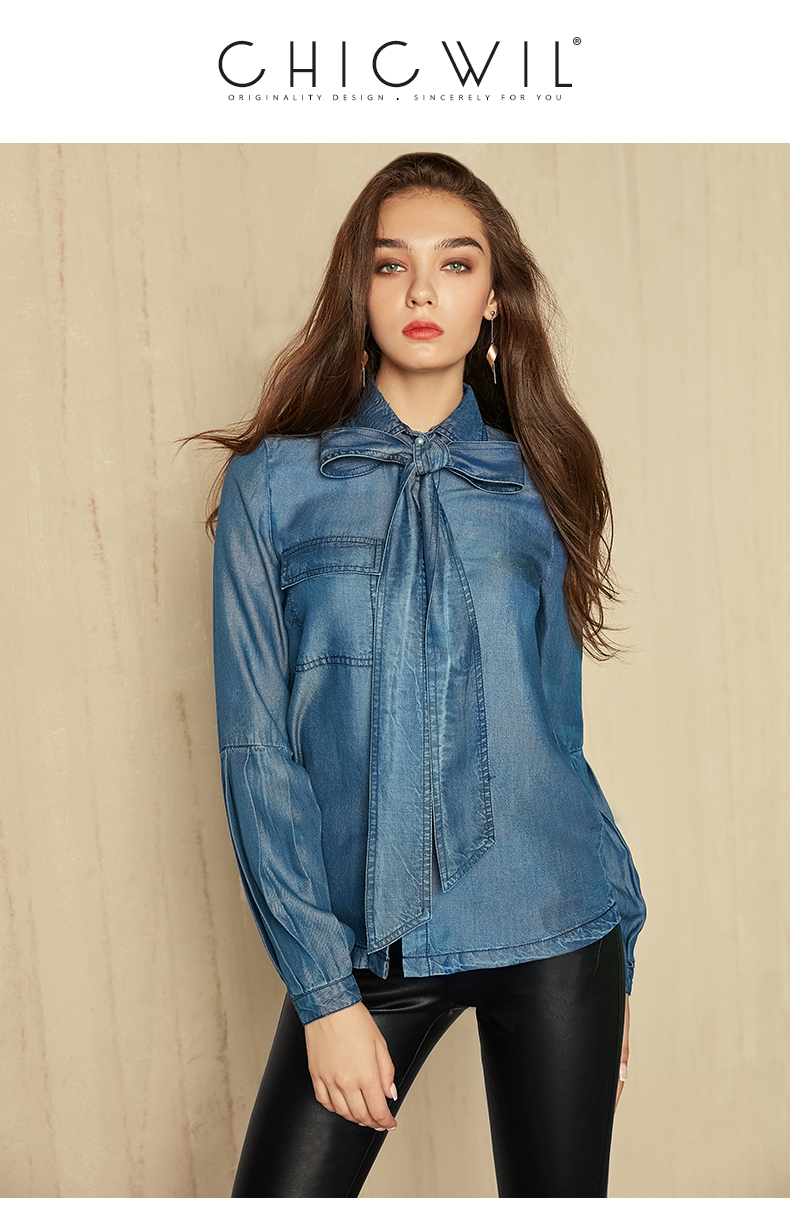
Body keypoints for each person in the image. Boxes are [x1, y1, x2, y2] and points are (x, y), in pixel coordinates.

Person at [200, 151, 647, 1197]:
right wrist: (324, 993)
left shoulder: (541, 478)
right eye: (391, 264)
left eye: (454, 264)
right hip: (368, 944)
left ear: (492, 297)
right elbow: (256, 749)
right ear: (358, 289)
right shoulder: (274, 485)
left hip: (555, 922)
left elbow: (557, 734)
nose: (419, 292)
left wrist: (618, 955)